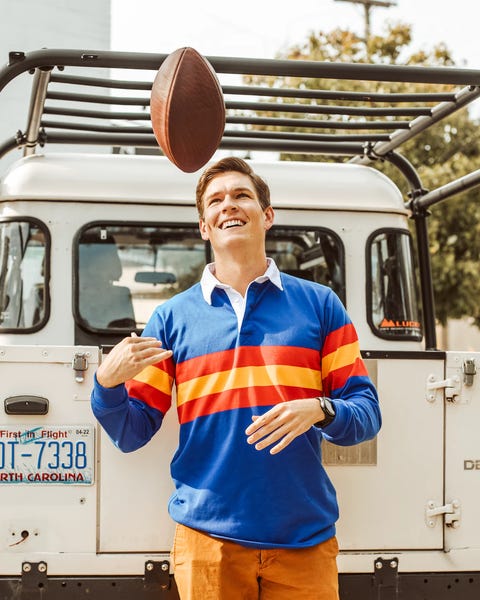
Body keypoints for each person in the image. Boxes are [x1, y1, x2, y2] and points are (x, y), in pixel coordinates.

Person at [91, 157, 381, 600]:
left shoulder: (321, 305)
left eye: (242, 195)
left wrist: (321, 409)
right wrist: (106, 385)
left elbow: (366, 412)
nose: (229, 205)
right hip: (208, 543)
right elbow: (132, 431)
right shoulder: (171, 319)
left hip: (305, 538)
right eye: (215, 200)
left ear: (267, 216)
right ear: (204, 226)